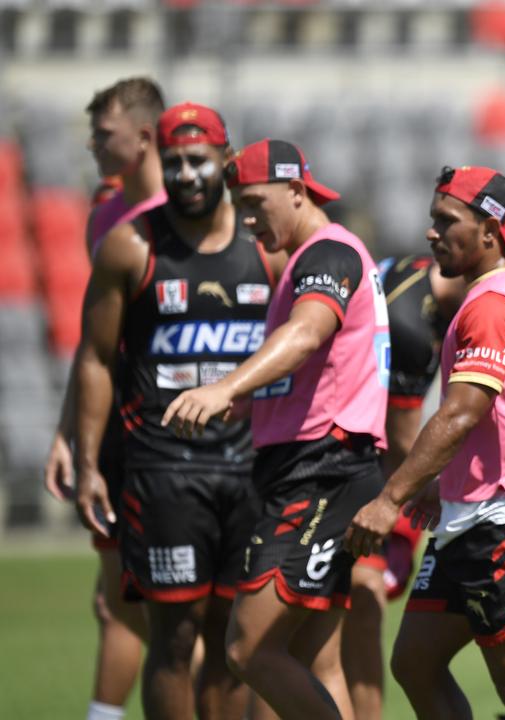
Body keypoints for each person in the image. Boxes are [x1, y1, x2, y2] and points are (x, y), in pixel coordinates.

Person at [346, 165, 505, 720]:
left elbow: (461, 413)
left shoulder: (494, 304)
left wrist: (391, 499)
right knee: (415, 662)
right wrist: (436, 482)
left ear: (488, 230)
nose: (431, 232)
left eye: (444, 220)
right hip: (475, 513)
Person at [161, 137, 388, 719]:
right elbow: (313, 364)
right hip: (318, 468)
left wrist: (224, 387)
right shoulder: (311, 259)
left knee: (248, 647)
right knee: (311, 657)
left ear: (296, 191)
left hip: (321, 472)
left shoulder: (327, 253)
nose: (246, 219)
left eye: (256, 202)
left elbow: (309, 333)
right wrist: (243, 407)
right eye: (239, 205)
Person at [74, 102, 278, 719]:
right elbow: (94, 360)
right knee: (174, 638)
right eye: (173, 162)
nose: (186, 173)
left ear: (225, 158)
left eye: (198, 159)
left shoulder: (265, 246)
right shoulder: (129, 246)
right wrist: (88, 463)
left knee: (233, 640)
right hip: (163, 472)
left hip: (251, 470)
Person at [43, 78, 168, 720]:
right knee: (116, 595)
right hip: (122, 431)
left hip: (191, 440)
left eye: (104, 133)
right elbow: (97, 345)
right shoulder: (104, 215)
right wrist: (72, 432)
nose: (94, 143)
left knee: (193, 615)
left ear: (144, 136)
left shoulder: (200, 214)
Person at [343, 253, 463, 719]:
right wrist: (419, 493)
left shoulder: (416, 271)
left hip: (352, 458)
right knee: (362, 598)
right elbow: (399, 438)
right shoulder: (412, 325)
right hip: (354, 467)